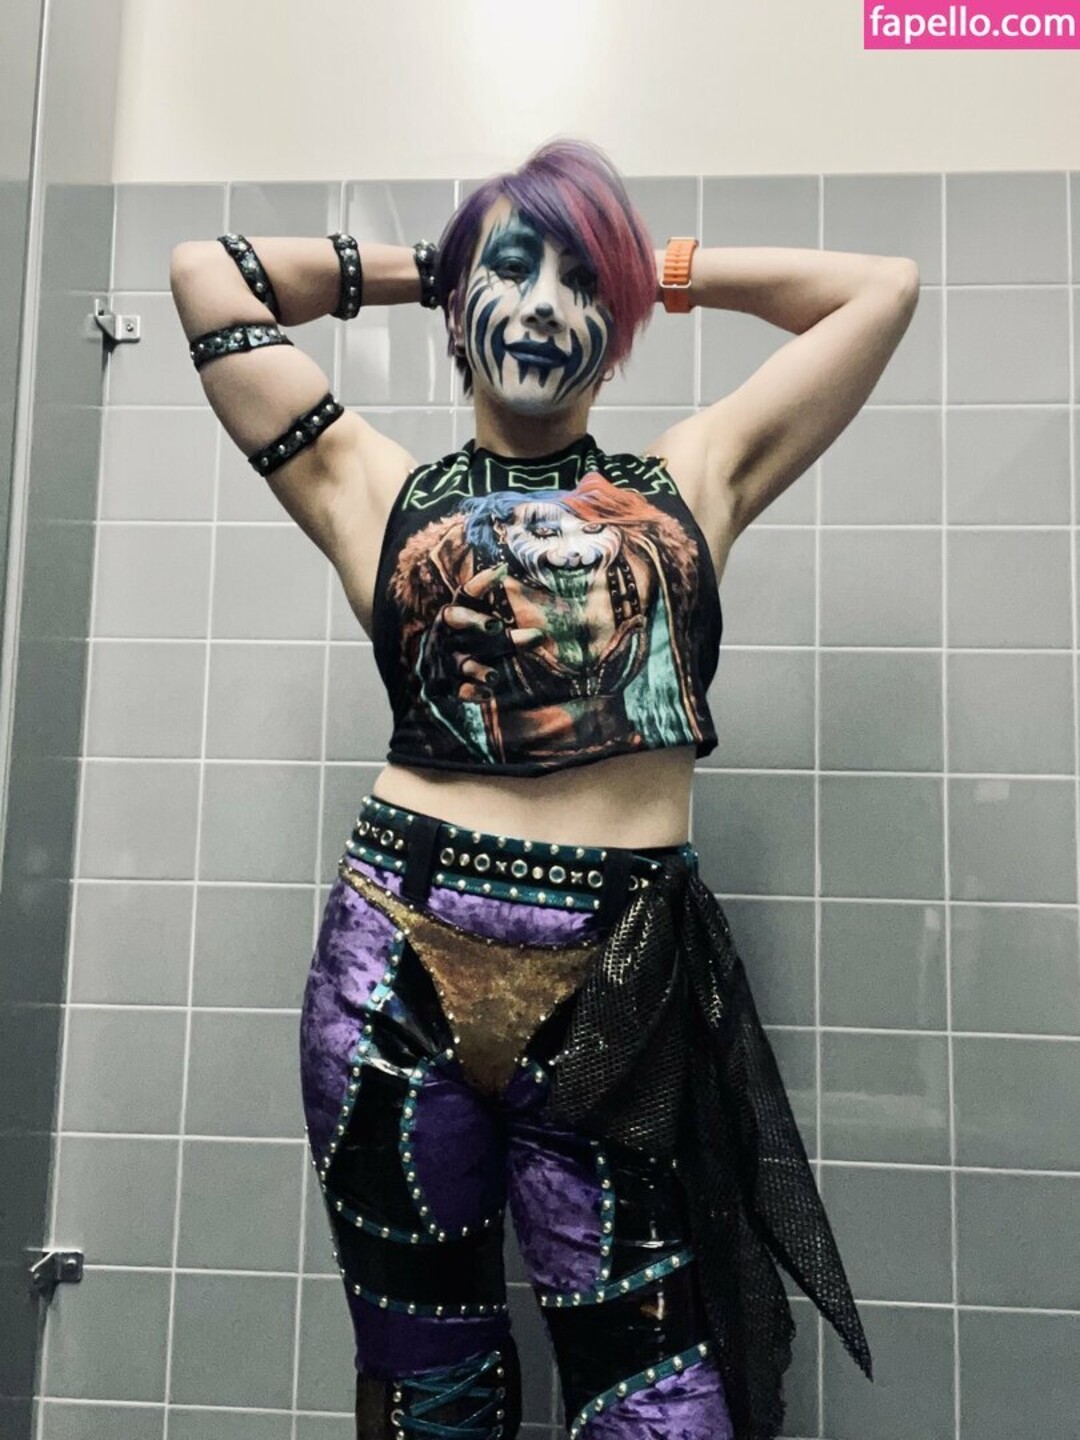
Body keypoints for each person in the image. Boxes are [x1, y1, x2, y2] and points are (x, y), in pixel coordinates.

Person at [170, 137, 919, 1440]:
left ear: (613, 330)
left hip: (616, 988)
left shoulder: (693, 480)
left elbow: (882, 289)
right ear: (464, 307)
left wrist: (652, 270)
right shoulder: (369, 489)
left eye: (581, 283)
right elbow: (205, 275)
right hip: (392, 972)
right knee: (433, 1393)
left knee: (665, 1401)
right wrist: (440, 264)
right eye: (513, 272)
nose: (542, 304)